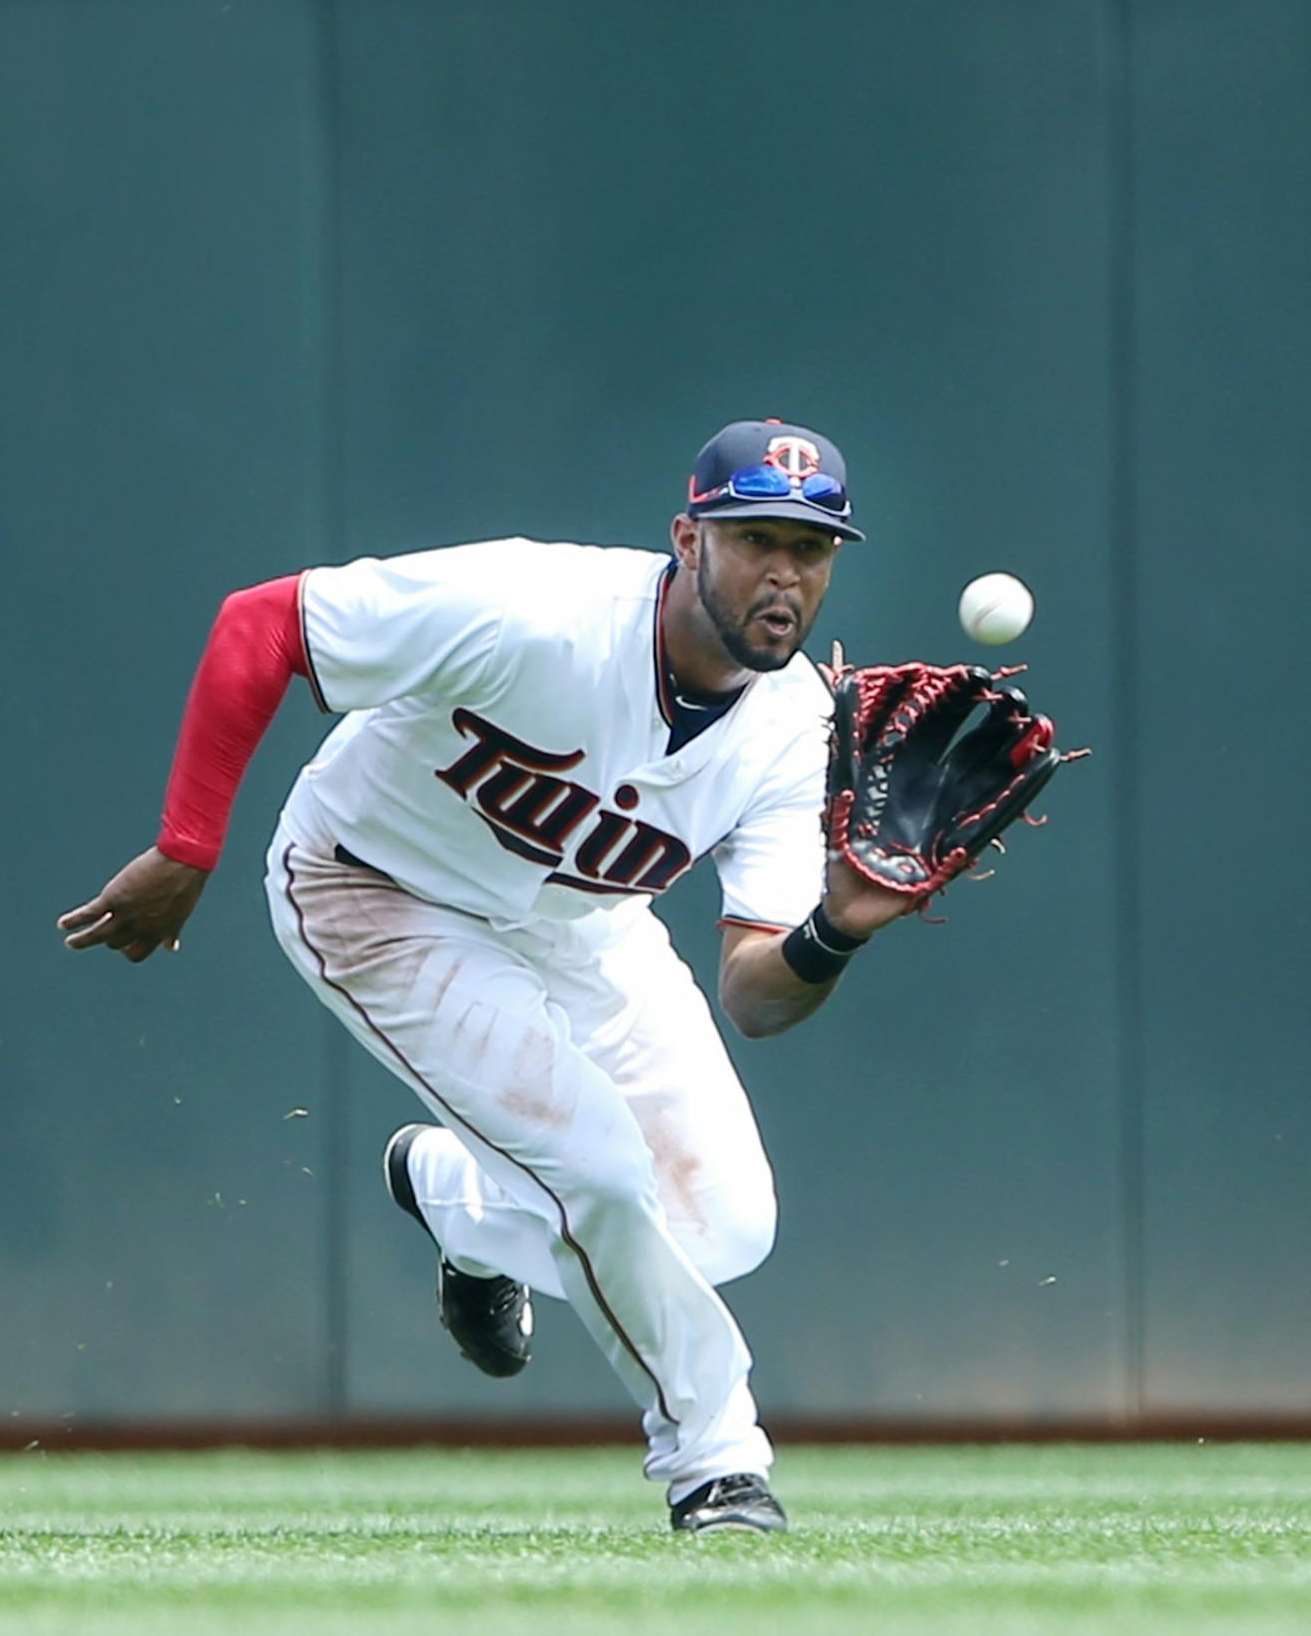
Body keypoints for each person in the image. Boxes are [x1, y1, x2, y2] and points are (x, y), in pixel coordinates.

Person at [58, 419, 916, 1533]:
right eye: (757, 538)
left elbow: (755, 996)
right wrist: (187, 847)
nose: (786, 574)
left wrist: (837, 930)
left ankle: (462, 1204)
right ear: (688, 539)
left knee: (727, 1226)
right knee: (600, 1174)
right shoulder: (538, 611)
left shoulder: (797, 729)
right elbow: (260, 624)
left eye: (813, 549)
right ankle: (716, 1463)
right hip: (376, 891)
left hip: (588, 924)